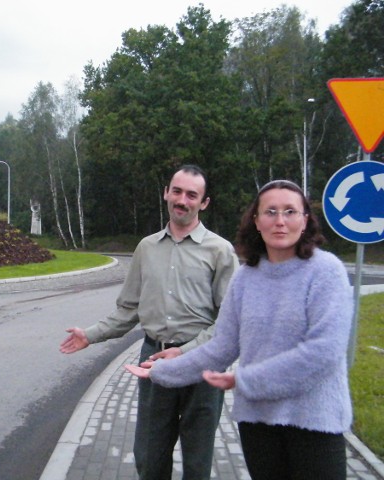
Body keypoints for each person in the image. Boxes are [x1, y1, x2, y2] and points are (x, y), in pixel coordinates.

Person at [126, 179, 354, 480]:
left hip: (314, 422)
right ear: (256, 221)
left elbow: (322, 353)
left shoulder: (326, 272)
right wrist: (162, 372)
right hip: (257, 422)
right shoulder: (246, 278)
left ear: (305, 219)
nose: (280, 221)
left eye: (290, 211)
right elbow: (222, 346)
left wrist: (243, 379)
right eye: (270, 211)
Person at [60, 164, 239, 479]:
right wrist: (90, 335)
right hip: (153, 361)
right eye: (177, 191)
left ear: (204, 202)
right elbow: (128, 310)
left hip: (202, 364)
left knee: (197, 461)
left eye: (192, 195)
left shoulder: (220, 251)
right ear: (166, 193)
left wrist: (186, 353)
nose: (182, 200)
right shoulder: (146, 248)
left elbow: (230, 320)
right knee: (149, 456)